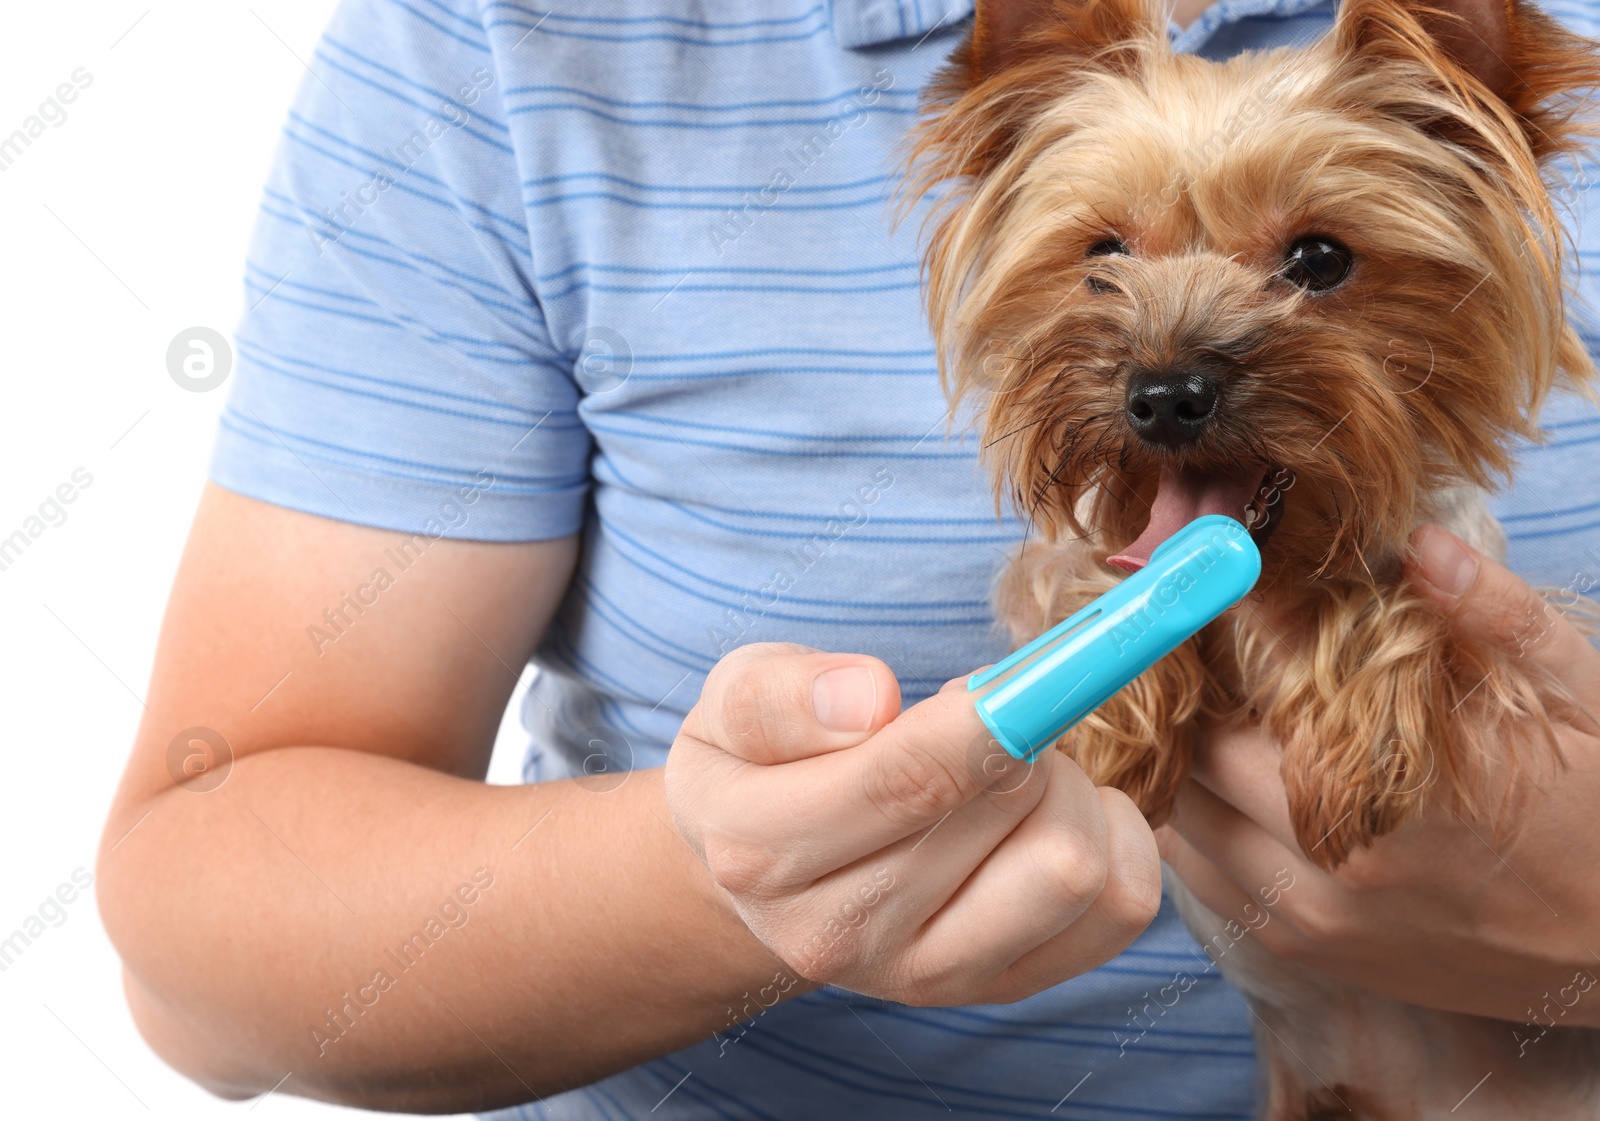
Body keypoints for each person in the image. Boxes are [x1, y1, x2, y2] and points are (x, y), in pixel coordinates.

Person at [97, 0, 1600, 1117]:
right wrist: (740, 882)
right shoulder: (503, 45)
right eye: (1103, 258)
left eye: (1317, 264)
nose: (1168, 367)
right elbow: (195, 957)